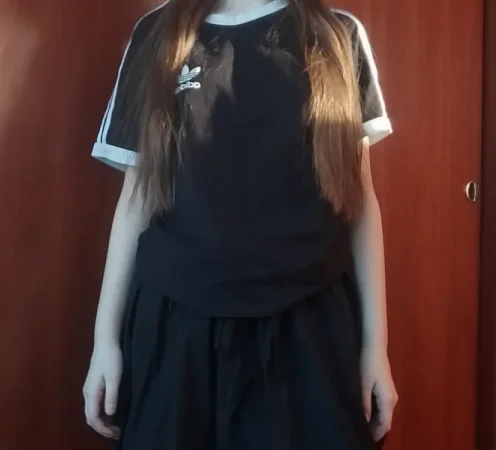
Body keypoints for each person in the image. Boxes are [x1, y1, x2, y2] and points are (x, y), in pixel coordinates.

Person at [84, 0, 398, 448]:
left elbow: (360, 203)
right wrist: (105, 342)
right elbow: (137, 199)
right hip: (178, 330)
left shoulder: (338, 34)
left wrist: (375, 348)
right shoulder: (156, 33)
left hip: (309, 328)